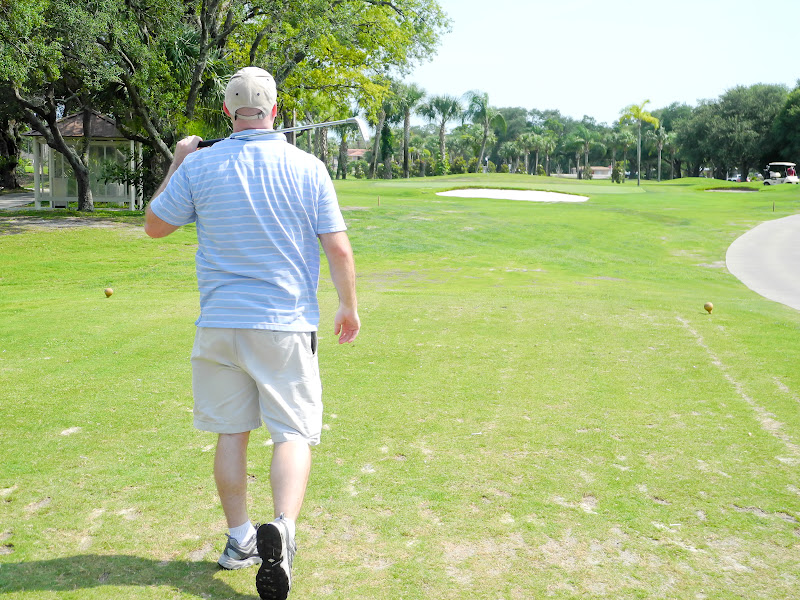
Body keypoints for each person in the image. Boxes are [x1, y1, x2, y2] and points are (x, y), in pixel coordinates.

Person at [144, 66, 360, 600]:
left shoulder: (199, 165)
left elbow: (154, 225)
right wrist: (348, 305)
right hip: (284, 323)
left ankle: (240, 539)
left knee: (231, 433)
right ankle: (281, 531)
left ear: (227, 112)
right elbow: (337, 247)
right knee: (292, 433)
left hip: (219, 324)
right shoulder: (309, 167)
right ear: (275, 110)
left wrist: (179, 160)